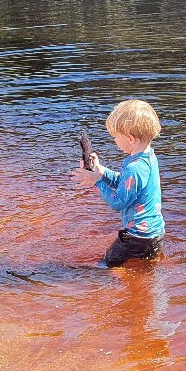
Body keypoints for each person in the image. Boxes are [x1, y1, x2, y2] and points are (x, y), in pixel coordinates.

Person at [71, 100, 165, 266]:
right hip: (155, 233)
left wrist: (96, 182)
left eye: (115, 137)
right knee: (147, 269)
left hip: (136, 237)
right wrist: (100, 170)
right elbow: (125, 184)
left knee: (104, 266)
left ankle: (118, 283)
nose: (114, 141)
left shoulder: (134, 167)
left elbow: (118, 202)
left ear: (129, 138)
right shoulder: (149, 158)